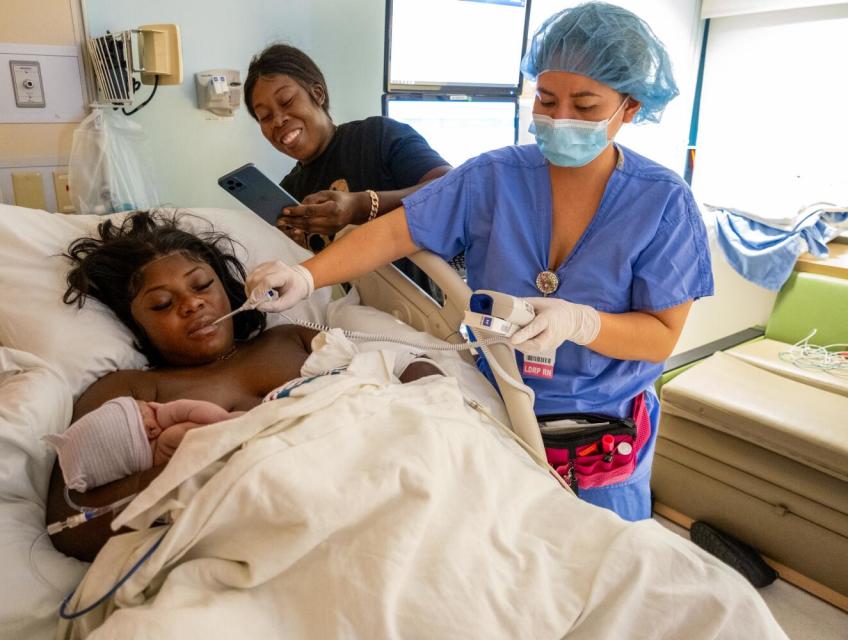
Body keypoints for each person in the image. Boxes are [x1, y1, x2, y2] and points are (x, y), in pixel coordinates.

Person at [246, 3, 714, 522]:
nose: (560, 119)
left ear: (629, 107)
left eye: (584, 106)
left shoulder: (663, 202)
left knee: (602, 570)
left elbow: (661, 335)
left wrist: (582, 323)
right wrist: (304, 274)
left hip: (600, 432)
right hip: (492, 405)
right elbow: (397, 232)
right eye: (547, 99)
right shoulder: (494, 176)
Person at [46, 210, 441, 561]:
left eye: (201, 285)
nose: (192, 304)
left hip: (384, 483)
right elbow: (71, 527)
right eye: (163, 304)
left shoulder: (290, 339)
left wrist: (424, 384)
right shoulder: (131, 391)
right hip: (276, 536)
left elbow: (387, 379)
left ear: (227, 289)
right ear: (136, 324)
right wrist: (196, 465)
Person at [244, 43, 452, 291]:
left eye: (287, 101)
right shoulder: (289, 193)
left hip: (417, 314)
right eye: (265, 117)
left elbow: (451, 190)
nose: (278, 120)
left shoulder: (377, 136)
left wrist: (362, 206)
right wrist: (294, 249)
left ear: (318, 93)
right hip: (342, 321)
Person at [45, 396, 243, 493]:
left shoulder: (158, 459)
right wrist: (176, 409)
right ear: (150, 430)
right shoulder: (169, 439)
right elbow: (216, 422)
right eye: (144, 406)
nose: (152, 403)